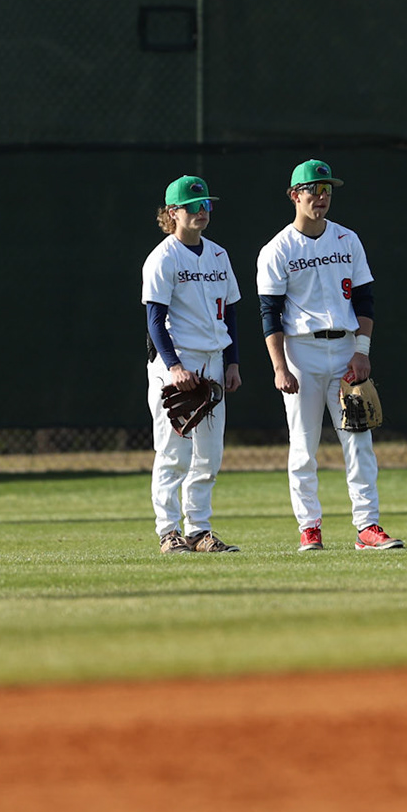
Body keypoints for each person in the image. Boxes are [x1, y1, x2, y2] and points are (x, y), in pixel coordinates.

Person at [256, 159, 403, 552]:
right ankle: (309, 528)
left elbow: (365, 299)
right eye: (312, 190)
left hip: (344, 349)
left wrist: (362, 352)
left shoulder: (347, 240)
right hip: (301, 352)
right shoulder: (278, 248)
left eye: (326, 191)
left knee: (359, 443)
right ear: (294, 195)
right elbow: (269, 313)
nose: (320, 198)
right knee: (303, 446)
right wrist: (279, 367)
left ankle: (367, 527)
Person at [141, 174, 242, 554]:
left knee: (209, 454)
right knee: (173, 452)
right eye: (193, 207)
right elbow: (154, 320)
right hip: (177, 364)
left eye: (206, 206)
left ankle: (199, 530)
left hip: (213, 361)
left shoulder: (218, 254)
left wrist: (232, 362)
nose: (202, 212)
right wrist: (174, 367)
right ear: (173, 213)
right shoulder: (163, 257)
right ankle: (169, 531)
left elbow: (229, 313)